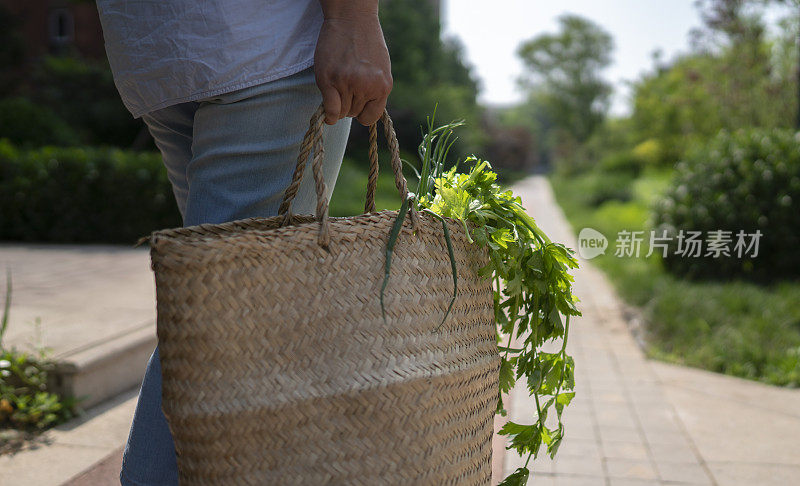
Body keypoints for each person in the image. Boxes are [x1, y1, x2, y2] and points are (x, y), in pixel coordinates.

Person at [94, 0, 393, 483]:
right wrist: (354, 19)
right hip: (266, 46)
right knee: (216, 329)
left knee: (217, 318)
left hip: (163, 52)